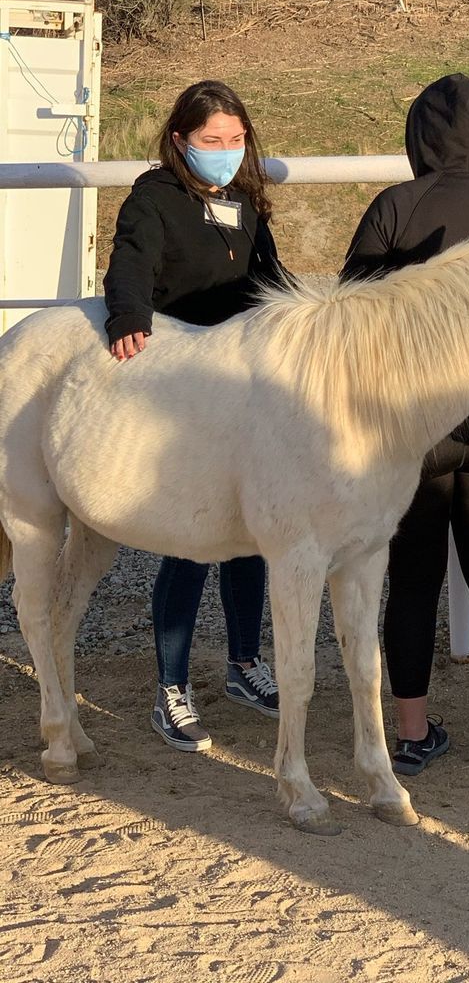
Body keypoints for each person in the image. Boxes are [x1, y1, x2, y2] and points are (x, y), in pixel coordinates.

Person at [341, 73, 469, 779]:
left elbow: (353, 318)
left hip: (416, 422)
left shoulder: (396, 206)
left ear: (416, 138)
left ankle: (412, 732)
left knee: (413, 576)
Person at [104, 80, 283, 752]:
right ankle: (170, 688)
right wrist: (126, 318)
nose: (227, 153)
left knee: (251, 532)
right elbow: (128, 268)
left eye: (237, 141)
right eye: (213, 142)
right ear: (181, 139)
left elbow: (272, 281)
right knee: (191, 539)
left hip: (246, 387)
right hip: (184, 389)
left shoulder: (246, 202)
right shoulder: (153, 199)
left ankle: (243, 665)